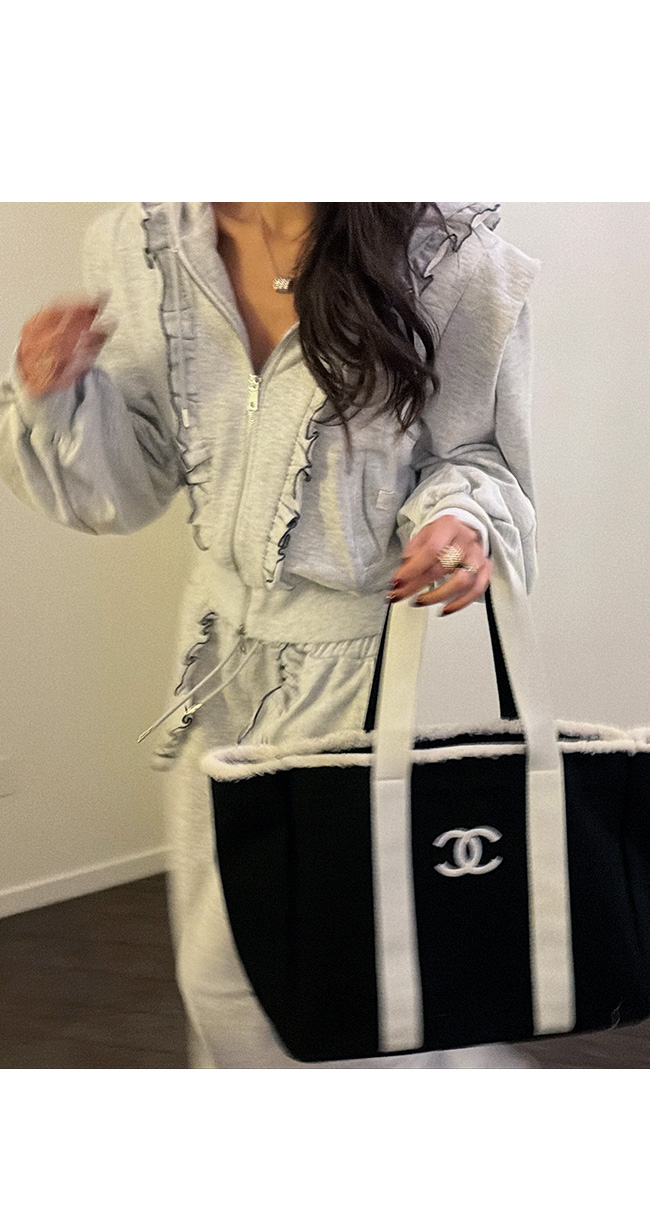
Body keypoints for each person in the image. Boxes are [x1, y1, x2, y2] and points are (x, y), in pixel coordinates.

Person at [0, 202, 540, 1068]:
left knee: (330, 983)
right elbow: (133, 483)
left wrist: (461, 520)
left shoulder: (450, 263)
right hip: (216, 668)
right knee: (225, 975)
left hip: (370, 672)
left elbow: (474, 455)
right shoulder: (142, 246)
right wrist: (60, 395)